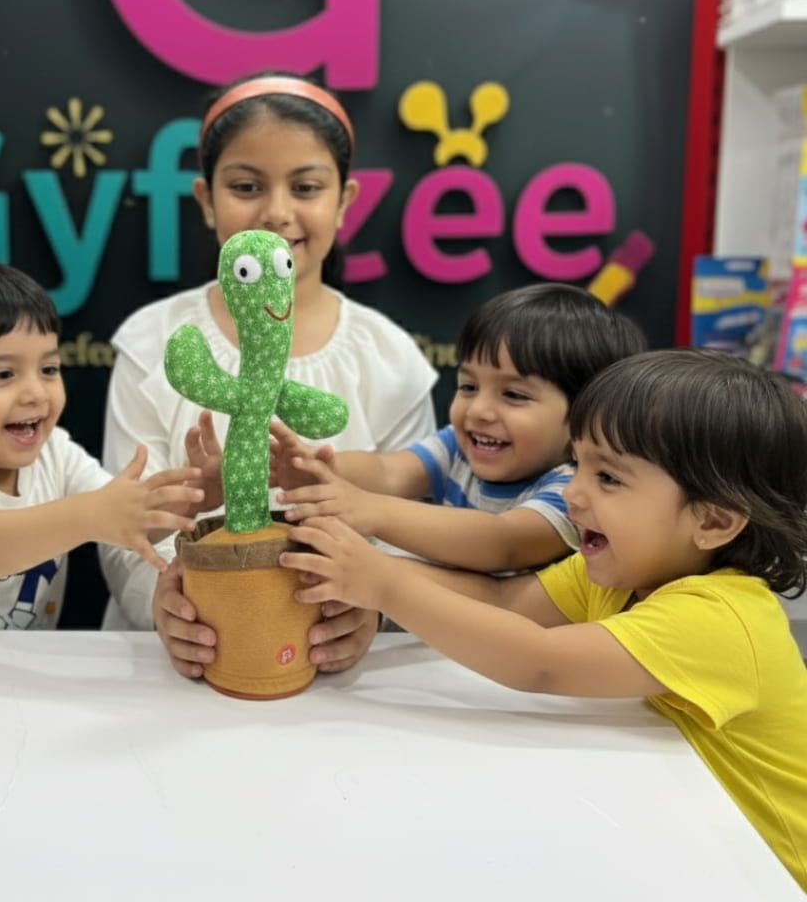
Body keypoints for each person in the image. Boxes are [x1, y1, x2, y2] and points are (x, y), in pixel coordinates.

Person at [280, 350, 807, 890]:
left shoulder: (721, 618)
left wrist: (385, 584)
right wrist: (365, 578)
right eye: (577, 464)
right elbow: (503, 600)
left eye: (608, 479)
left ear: (713, 520)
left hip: (768, 875)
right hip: (692, 838)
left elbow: (540, 662)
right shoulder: (624, 572)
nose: (573, 493)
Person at [99, 71, 438, 677]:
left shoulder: (390, 358)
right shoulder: (156, 343)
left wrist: (376, 608)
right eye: (247, 185)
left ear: (345, 200)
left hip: (339, 685)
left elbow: (410, 527)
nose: (277, 212)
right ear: (206, 200)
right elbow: (120, 528)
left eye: (306, 186)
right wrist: (159, 598)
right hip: (170, 678)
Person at [0, 258, 202, 630]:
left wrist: (193, 499)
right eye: (2, 374)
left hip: (20, 676)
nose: (36, 393)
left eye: (49, 369)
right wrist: (86, 516)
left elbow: (129, 526)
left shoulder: (56, 454)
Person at [275, 282, 647, 573]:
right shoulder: (458, 447)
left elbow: (503, 542)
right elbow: (389, 471)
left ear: (586, 416)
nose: (479, 410)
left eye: (514, 395)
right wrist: (315, 466)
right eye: (468, 386)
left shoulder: (575, 492)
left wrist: (372, 510)